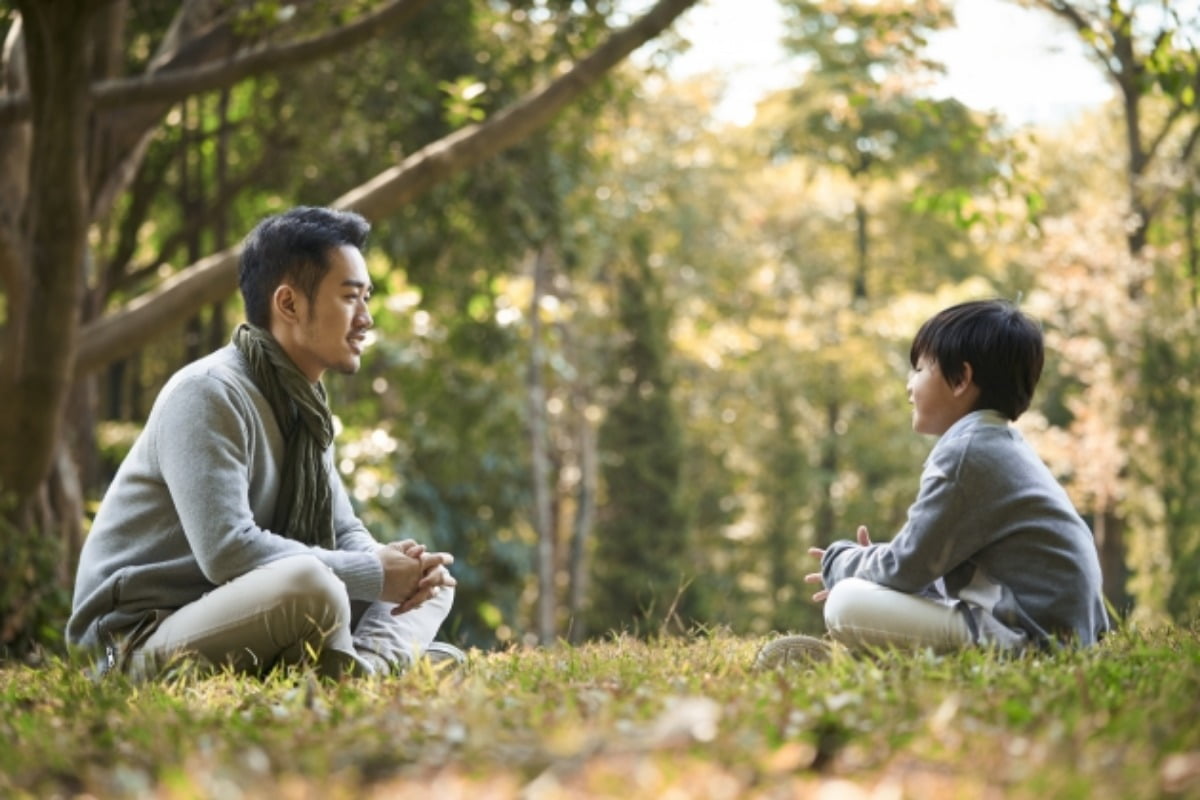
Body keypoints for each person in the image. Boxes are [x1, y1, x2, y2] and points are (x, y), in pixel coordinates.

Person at [68, 206, 461, 678]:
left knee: (434, 585)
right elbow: (228, 551)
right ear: (289, 304)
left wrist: (399, 567)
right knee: (313, 587)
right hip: (134, 639)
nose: (366, 319)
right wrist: (375, 574)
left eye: (367, 299)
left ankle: (365, 672)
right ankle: (373, 670)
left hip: (236, 619)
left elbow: (344, 529)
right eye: (350, 298)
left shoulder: (305, 408)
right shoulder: (208, 392)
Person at [757, 299, 1108, 666]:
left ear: (961, 379)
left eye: (920, 369)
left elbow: (904, 568)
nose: (910, 385)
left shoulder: (965, 453)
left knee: (846, 601)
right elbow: (929, 569)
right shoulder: (999, 444)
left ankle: (872, 662)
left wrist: (841, 561)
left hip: (1033, 643)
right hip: (1052, 631)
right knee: (870, 591)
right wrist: (880, 577)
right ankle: (887, 661)